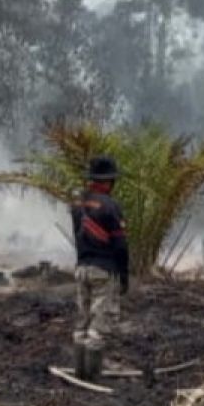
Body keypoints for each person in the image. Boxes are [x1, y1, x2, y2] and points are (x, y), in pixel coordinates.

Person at [70, 155, 130, 381]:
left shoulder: (78, 204)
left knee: (82, 321)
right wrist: (123, 275)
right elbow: (120, 244)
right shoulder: (110, 206)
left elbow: (78, 237)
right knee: (99, 324)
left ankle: (79, 373)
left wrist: (81, 262)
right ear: (108, 181)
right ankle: (92, 377)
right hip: (103, 271)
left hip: (82, 268)